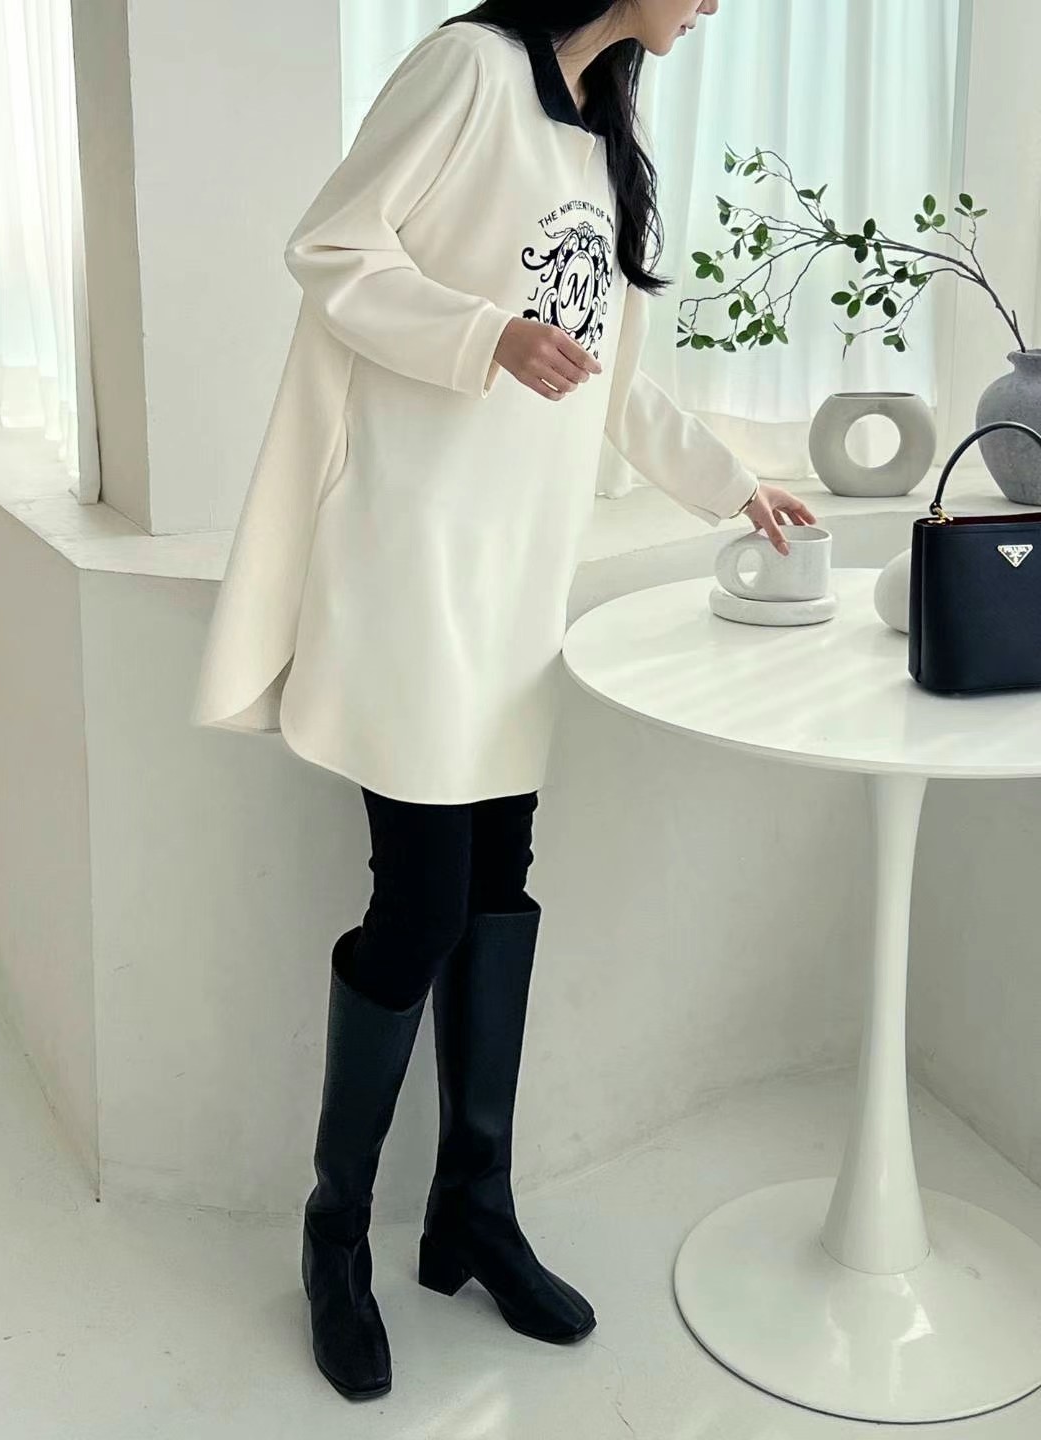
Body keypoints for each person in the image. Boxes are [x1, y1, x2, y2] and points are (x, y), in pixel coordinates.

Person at [192, 0, 816, 1405]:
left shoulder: (603, 140)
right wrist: (486, 333)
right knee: (418, 904)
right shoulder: (467, 72)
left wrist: (736, 486)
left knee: (496, 888)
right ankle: (334, 1239)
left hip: (519, 587)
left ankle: (472, 1211)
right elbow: (332, 247)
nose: (716, 2)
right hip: (413, 568)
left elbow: (613, 386)